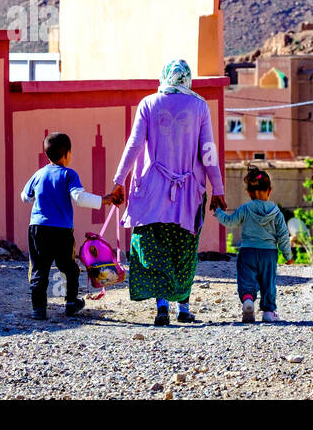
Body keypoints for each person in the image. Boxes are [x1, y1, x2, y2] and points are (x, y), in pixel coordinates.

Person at [111, 59, 226, 327]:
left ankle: (162, 303)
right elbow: (207, 150)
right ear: (187, 79)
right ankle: (183, 307)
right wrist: (217, 188)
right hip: (189, 192)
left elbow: (135, 145)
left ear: (164, 77)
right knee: (184, 248)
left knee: (153, 247)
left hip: (152, 191)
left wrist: (119, 180)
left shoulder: (148, 104)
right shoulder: (199, 106)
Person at [20, 131, 118, 320]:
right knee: (69, 267)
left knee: (39, 268)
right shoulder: (69, 175)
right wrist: (104, 200)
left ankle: (38, 309)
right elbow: (79, 198)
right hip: (62, 231)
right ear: (66, 154)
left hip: (38, 228)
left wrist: (38, 196)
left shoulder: (39, 174)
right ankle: (71, 302)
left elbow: (25, 196)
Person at [214, 167, 293, 323]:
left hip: (247, 251)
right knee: (268, 282)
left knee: (246, 279)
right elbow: (283, 235)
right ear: (269, 190)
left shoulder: (245, 209)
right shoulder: (276, 212)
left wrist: (217, 211)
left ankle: (248, 299)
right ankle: (269, 312)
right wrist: (288, 255)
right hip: (269, 253)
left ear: (249, 192)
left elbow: (230, 222)